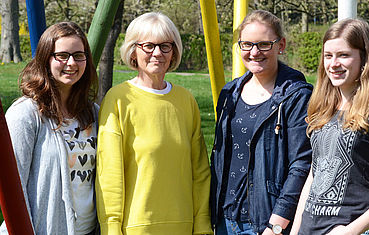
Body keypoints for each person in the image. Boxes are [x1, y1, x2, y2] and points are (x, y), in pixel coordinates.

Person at [95, 12, 212, 235]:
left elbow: (200, 172)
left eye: (165, 46)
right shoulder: (118, 99)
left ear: (173, 51)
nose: (157, 53)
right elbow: (109, 174)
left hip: (184, 227)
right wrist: (111, 228)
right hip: (136, 228)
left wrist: (202, 224)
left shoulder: (186, 100)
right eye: (148, 46)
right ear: (133, 51)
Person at [290, 18, 369, 235]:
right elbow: (314, 176)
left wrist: (351, 231)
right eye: (328, 56)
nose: (333, 64)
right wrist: (296, 230)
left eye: (343, 55)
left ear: (364, 58)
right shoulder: (322, 109)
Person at [210, 10, 313, 235]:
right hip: (224, 222)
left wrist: (276, 225)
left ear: (281, 45)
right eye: (246, 44)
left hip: (265, 224)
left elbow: (302, 165)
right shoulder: (229, 93)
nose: (254, 52)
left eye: (264, 44)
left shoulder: (296, 96)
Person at [1, 22, 99, 235]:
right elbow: (13, 187)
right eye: (62, 55)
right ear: (46, 58)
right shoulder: (26, 114)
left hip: (89, 230)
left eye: (79, 55)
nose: (71, 63)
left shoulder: (93, 113)